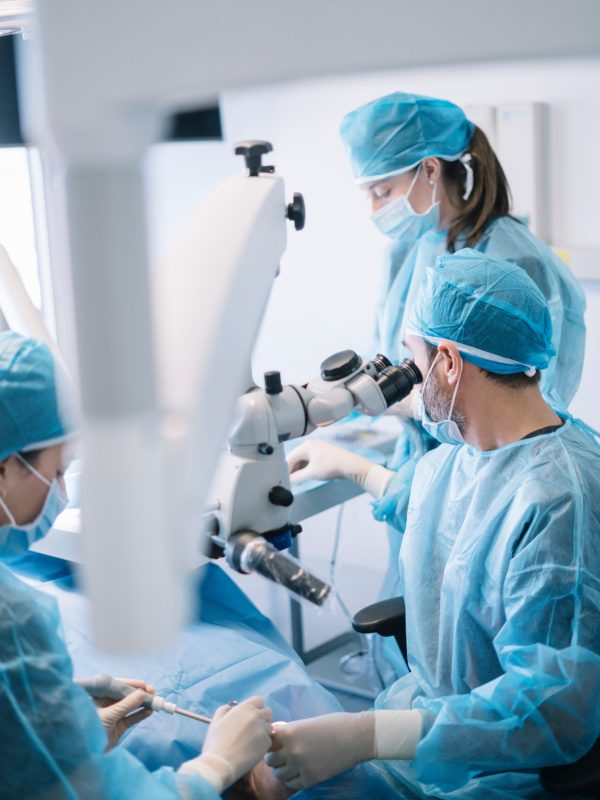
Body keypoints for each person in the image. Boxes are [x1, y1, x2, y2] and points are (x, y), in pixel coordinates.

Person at [276, 251, 600, 798]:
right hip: (426, 726)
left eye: (414, 359)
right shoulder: (464, 453)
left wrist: (367, 736)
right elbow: (447, 521)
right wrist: (354, 469)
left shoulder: (558, 500)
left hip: (495, 770)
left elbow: (551, 708)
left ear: (448, 363)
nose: (409, 382)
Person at [337, 92, 587, 679]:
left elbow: (521, 403)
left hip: (491, 484)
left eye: (381, 190)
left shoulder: (514, 260)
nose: (376, 208)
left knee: (484, 657)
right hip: (435, 477)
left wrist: (411, 411)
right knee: (432, 648)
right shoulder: (414, 247)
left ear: (429, 169)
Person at [0, 330, 273, 799]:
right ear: (5, 468)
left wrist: (66, 719)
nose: (62, 492)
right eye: (57, 471)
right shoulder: (14, 625)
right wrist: (214, 767)